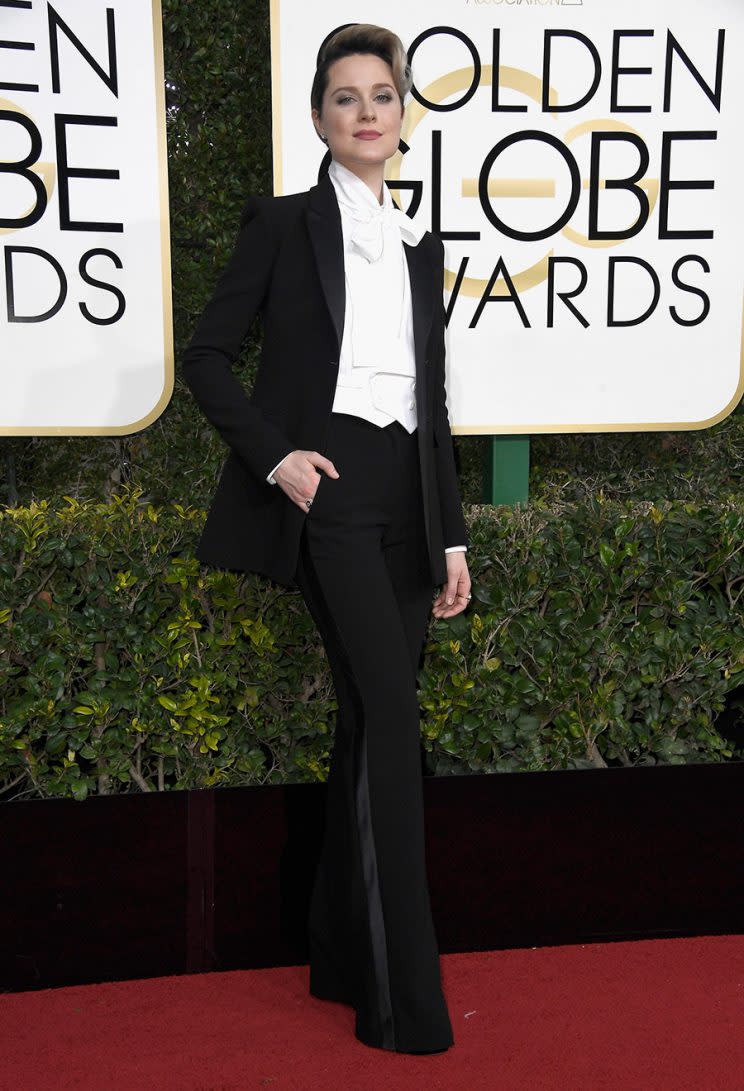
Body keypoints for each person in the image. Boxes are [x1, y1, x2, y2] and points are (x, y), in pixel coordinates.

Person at [181, 23, 471, 1054]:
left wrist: (453, 533)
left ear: (401, 115)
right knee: (393, 719)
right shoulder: (283, 224)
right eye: (344, 96)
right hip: (332, 497)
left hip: (408, 506)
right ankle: (403, 1000)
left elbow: (432, 403)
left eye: (381, 95)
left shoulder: (418, 240)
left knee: (365, 721)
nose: (365, 111)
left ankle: (341, 957)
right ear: (319, 118)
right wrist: (279, 458)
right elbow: (206, 356)